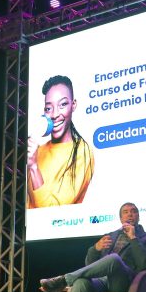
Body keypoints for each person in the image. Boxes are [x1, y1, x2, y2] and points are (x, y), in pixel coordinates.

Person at [27, 75, 95, 208]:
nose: (54, 115)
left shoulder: (83, 151)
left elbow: (52, 210)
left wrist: (34, 167)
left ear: (73, 105)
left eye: (62, 104)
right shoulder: (37, 151)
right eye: (48, 108)